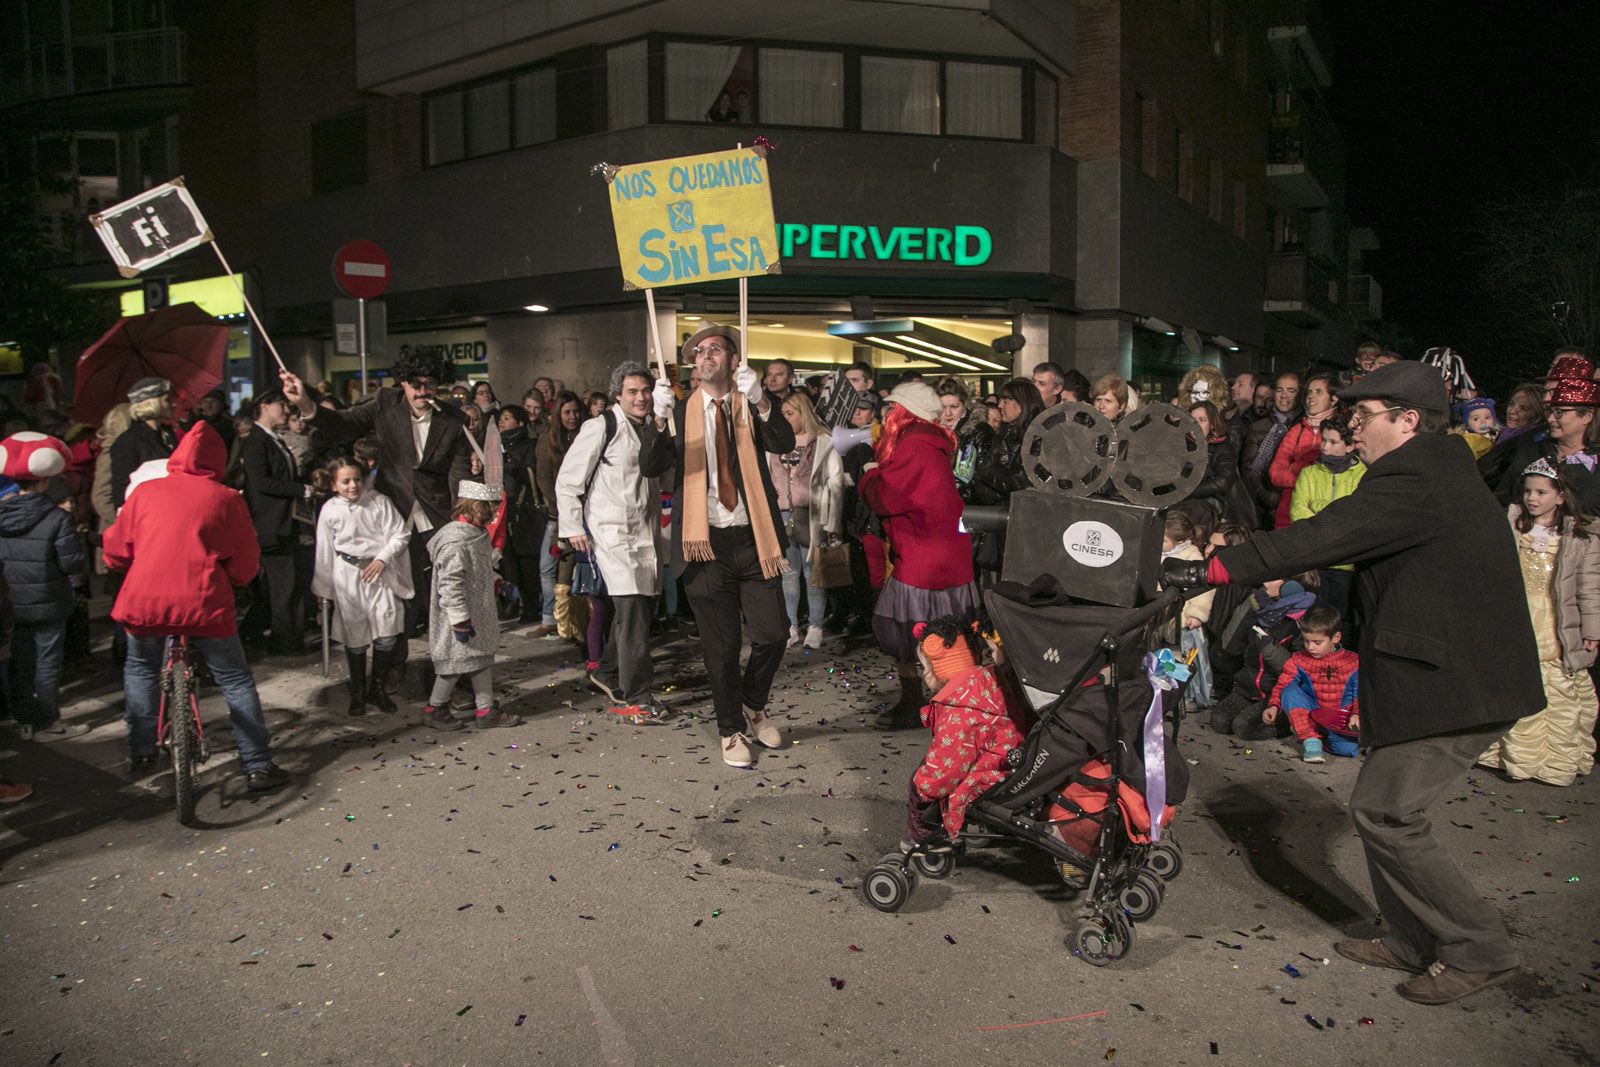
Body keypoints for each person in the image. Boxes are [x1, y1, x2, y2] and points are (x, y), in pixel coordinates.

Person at [1165, 360, 1541, 1005]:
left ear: (1408, 420)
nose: (1351, 429)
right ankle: (1411, 938)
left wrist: (1217, 567)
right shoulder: (1426, 471)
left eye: (1363, 418)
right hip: (1440, 672)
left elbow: (1327, 532)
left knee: (1388, 814)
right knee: (1378, 810)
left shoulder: (1420, 477)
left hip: (1459, 683)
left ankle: (1481, 948)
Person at [641, 323, 794, 769]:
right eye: (698, 351)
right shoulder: (679, 410)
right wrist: (655, 419)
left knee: (773, 634)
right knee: (722, 647)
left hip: (754, 537)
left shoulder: (751, 403)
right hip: (702, 543)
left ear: (732, 360)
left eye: (714, 350)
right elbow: (651, 466)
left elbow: (784, 442)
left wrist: (764, 401)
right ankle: (730, 731)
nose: (705, 356)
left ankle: (752, 702)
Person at [104, 422, 289, 790]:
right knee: (234, 679)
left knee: (141, 668)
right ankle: (257, 765)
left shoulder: (145, 492)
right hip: (203, 601)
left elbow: (115, 550)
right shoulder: (225, 497)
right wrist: (234, 580)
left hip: (145, 600)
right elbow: (246, 563)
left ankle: (141, 751)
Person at [282, 349, 474, 641]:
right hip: (392, 510)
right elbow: (343, 424)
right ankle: (394, 659)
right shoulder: (386, 403)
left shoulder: (453, 419)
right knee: (395, 589)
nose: (423, 391)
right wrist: (306, 403)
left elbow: (458, 473)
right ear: (404, 384)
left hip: (436, 511)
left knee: (444, 586)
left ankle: (451, 659)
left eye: (430, 383)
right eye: (415, 384)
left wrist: (462, 520)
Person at [859, 380, 980, 729]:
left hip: (925, 560)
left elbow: (887, 497)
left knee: (907, 632)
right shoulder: (934, 444)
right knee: (949, 633)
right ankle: (957, 707)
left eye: (892, 409)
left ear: (904, 413)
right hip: (947, 557)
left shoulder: (913, 447)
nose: (887, 415)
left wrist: (870, 476)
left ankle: (916, 704)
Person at [556, 361, 670, 720]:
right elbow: (568, 480)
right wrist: (574, 528)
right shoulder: (600, 427)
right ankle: (638, 693)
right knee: (633, 610)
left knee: (639, 610)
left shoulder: (654, 427)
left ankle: (606, 671)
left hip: (646, 531)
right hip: (612, 533)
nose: (640, 397)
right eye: (632, 391)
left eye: (645, 391)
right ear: (617, 395)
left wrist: (665, 426)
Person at [1477, 460, 1599, 787]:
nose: (1532, 498)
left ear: (1560, 497)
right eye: (1528, 491)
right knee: (1513, 679)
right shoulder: (1514, 524)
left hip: (1556, 619)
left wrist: (1592, 630)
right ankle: (1503, 753)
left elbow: (1589, 587)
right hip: (1517, 613)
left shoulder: (1579, 535)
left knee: (1553, 684)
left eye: (1541, 492)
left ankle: (1551, 760)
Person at [903, 617, 1024, 847]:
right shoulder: (986, 679)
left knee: (921, 783)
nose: (924, 676)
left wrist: (923, 786)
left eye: (925, 668)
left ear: (940, 666)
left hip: (991, 771)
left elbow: (948, 766)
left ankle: (924, 839)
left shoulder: (958, 707)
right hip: (1006, 757)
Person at [0, 434, 89, 741]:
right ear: (44, 481)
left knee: (20, 662)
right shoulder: (57, 518)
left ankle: (24, 721)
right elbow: (71, 564)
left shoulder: (1, 514)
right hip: (49, 600)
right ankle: (48, 722)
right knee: (47, 663)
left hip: (12, 599)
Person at [313, 456, 411, 716]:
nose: (353, 485)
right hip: (348, 575)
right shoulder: (330, 510)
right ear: (334, 485)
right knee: (355, 633)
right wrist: (323, 591)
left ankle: (376, 688)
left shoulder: (379, 501)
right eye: (345, 481)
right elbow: (324, 551)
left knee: (387, 630)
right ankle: (358, 692)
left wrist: (382, 559)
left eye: (357, 479)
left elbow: (400, 534)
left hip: (380, 572)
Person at [422, 482, 520, 730]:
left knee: (480, 658)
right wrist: (459, 619)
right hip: (461, 615)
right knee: (455, 663)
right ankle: (436, 707)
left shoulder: (476, 535)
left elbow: (478, 571)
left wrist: (497, 583)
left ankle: (485, 709)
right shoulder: (456, 542)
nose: (495, 515)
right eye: (491, 509)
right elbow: (451, 583)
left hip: (478, 611)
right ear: (477, 506)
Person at [239, 389, 315, 655]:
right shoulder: (256, 441)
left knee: (283, 584)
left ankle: (266, 633)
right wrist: (300, 490)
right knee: (283, 585)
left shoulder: (274, 439)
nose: (284, 409)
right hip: (271, 523)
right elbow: (261, 482)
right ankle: (286, 642)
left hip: (285, 521)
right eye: (280, 404)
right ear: (264, 405)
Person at [769, 390, 844, 650]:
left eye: (790, 413)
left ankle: (815, 625)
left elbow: (835, 480)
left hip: (812, 515)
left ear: (803, 412)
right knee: (788, 574)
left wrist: (830, 519)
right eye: (783, 414)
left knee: (814, 574)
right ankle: (790, 625)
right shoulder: (776, 440)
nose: (786, 418)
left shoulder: (822, 440)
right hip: (781, 513)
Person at [1480, 372, 1600, 514]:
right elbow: (1503, 496)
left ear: (1587, 416)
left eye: (1560, 413)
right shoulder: (1532, 447)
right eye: (1550, 411)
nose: (1550, 419)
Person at [1289, 410, 1365, 629]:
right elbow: (1298, 512)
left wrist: (1320, 507)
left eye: (1333, 442)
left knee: (1343, 619)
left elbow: (1354, 515)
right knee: (1313, 617)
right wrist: (1333, 515)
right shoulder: (1309, 474)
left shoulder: (1362, 475)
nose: (1325, 446)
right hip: (1315, 562)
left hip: (1346, 564)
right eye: (1324, 440)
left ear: (1350, 446)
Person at [1260, 605, 1361, 762]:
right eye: (1306, 641)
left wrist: (1357, 714)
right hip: (1312, 712)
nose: (1310, 647)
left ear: (1336, 638)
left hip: (1341, 717)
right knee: (1289, 690)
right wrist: (1273, 706)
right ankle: (1310, 738)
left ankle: (1324, 736)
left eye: (1317, 642)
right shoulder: (1299, 659)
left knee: (1346, 750)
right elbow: (1282, 685)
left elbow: (1360, 692)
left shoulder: (1353, 661)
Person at [536, 390, 588, 641]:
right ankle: (554, 620)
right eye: (567, 412)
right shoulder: (547, 439)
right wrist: (561, 508)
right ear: (558, 414)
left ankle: (578, 625)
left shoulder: (586, 435)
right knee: (550, 568)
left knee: (578, 569)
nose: (573, 417)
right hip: (558, 515)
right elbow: (543, 478)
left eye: (576, 411)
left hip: (586, 511)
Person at [1266, 372, 1338, 529]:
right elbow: (1275, 473)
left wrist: (1294, 469)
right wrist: (1303, 480)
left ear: (1333, 399)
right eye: (1309, 392)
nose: (1311, 397)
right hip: (1289, 511)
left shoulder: (1341, 432)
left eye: (1318, 392)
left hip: (1324, 512)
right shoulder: (1297, 430)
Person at [495, 405, 542, 625]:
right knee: (509, 563)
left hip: (523, 511)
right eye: (500, 418)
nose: (501, 422)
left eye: (507, 418)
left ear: (521, 423)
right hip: (503, 511)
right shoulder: (496, 446)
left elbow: (533, 477)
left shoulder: (529, 446)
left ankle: (532, 607)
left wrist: (516, 468)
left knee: (527, 563)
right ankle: (512, 604)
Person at [1243, 371, 1303, 528]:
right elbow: (1249, 471)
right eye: (1279, 390)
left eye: (1291, 390)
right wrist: (1266, 497)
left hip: (1293, 503)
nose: (1284, 395)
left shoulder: (1304, 428)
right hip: (1260, 505)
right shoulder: (1257, 427)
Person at [109, 378, 177, 510]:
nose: (172, 404)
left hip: (172, 506)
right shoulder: (128, 441)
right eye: (167, 400)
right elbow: (122, 490)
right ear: (152, 403)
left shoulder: (167, 434)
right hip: (148, 511)